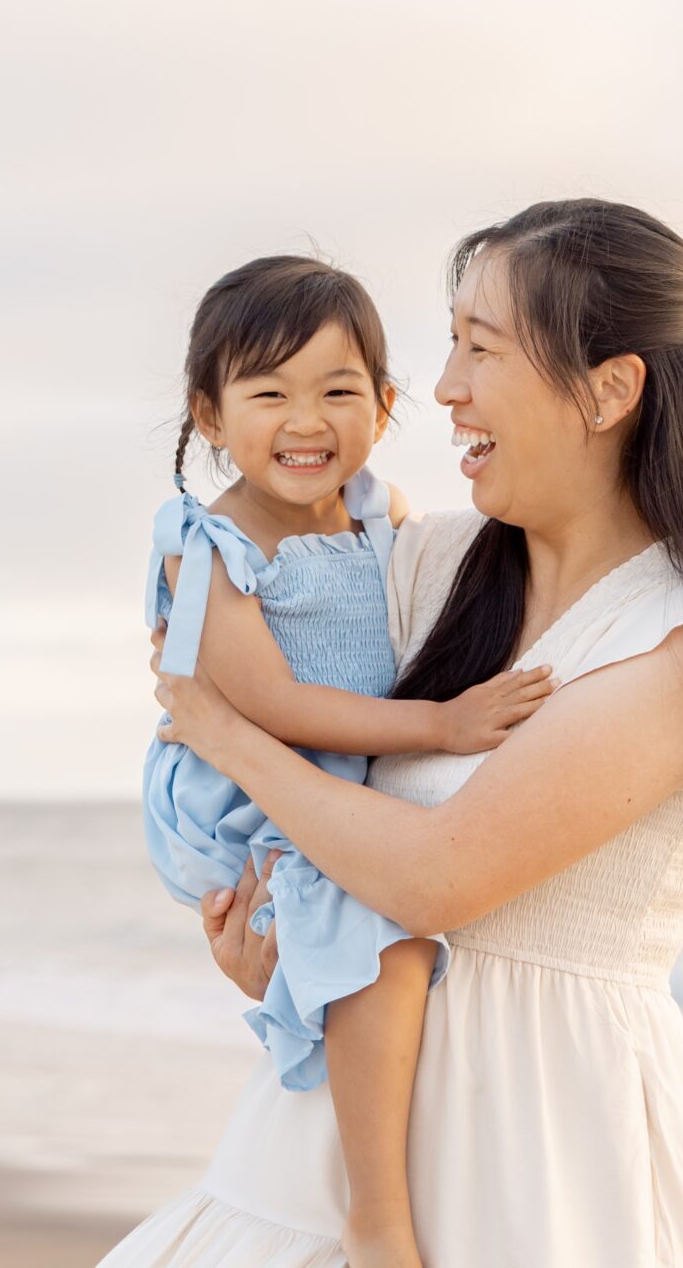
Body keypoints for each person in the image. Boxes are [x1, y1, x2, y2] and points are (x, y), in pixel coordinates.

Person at [113, 199, 683, 1268]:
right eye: (449, 343)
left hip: (545, 1149)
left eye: (480, 347)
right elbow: (266, 684)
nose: (444, 385)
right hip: (341, 1142)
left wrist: (226, 735)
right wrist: (276, 958)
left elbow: (434, 876)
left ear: (607, 387)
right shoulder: (422, 568)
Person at [142, 254, 554, 1268]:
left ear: (385, 402)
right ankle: (376, 1215)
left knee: (392, 911)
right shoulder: (207, 542)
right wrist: (443, 727)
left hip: (334, 767)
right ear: (208, 413)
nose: (305, 419)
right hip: (240, 788)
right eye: (267, 392)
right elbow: (266, 704)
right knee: (385, 933)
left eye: (337, 390)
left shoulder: (383, 513)